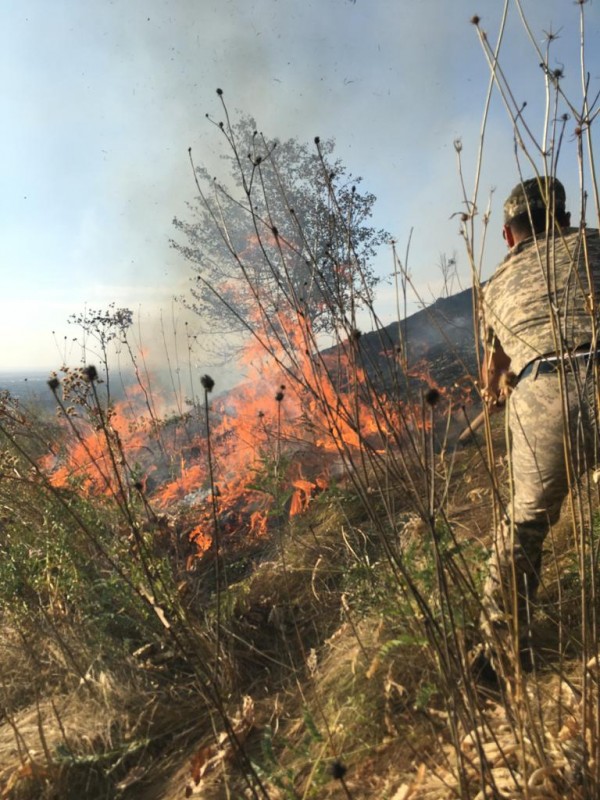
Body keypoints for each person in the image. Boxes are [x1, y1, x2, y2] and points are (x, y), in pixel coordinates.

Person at [477, 176, 600, 675]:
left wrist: (497, 391)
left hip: (544, 395)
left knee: (525, 524)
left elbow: (492, 375)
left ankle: (499, 657)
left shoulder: (494, 287)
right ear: (565, 220)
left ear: (508, 236)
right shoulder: (593, 243)